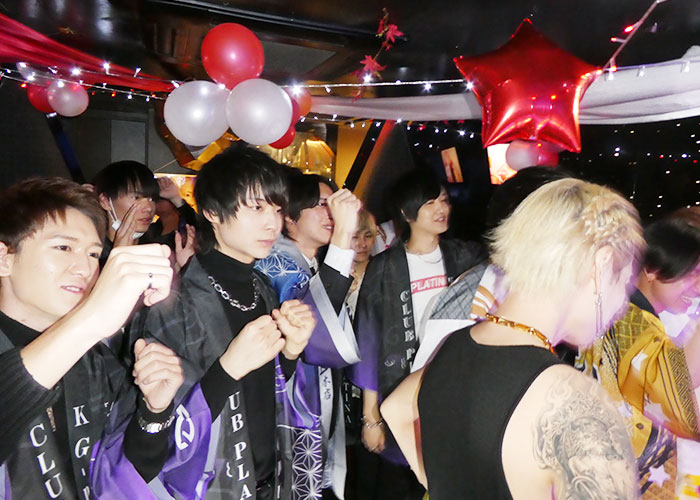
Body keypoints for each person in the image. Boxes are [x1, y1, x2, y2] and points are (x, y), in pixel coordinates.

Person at [382, 178, 644, 499]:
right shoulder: (577, 403)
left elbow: (395, 408)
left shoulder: (456, 344)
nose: (622, 305)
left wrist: (439, 484)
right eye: (625, 283)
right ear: (601, 264)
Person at [140, 145, 315, 500]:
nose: (272, 223)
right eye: (257, 208)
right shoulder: (174, 304)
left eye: (277, 209)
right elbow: (160, 428)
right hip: (211, 487)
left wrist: (291, 352)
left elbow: (264, 391)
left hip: (267, 480)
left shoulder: (261, 287)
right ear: (212, 212)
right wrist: (228, 368)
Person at [0, 177, 183, 499]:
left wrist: (154, 411)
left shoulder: (94, 360)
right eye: (63, 247)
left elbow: (124, 475)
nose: (84, 269)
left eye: (94, 254)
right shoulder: (86, 337)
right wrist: (90, 321)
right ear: (4, 258)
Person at [349, 169, 487, 500]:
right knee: (399, 484)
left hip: (456, 391)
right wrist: (371, 417)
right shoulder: (384, 268)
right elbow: (369, 340)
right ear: (406, 212)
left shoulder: (466, 258)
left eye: (444, 200)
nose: (441, 208)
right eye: (429, 203)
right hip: (400, 391)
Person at [577, 213, 700, 498]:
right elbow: (678, 394)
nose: (697, 287)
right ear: (652, 270)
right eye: (692, 275)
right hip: (612, 476)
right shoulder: (630, 323)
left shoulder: (621, 312)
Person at [256, 171, 362, 499]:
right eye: (320, 205)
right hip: (285, 398)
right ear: (289, 216)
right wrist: (344, 235)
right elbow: (313, 329)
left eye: (334, 206)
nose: (331, 214)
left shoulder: (309, 262)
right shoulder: (277, 264)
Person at [92, 161, 196, 265]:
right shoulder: (93, 254)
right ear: (106, 201)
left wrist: (177, 199)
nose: (148, 208)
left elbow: (196, 231)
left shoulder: (156, 249)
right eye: (136, 198)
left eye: (152, 199)